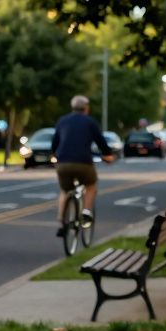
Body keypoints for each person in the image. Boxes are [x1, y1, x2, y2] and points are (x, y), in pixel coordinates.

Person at [51, 95, 115, 236]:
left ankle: (62, 221)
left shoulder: (62, 121)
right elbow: (101, 142)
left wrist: (55, 154)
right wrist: (108, 155)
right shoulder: (90, 122)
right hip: (83, 162)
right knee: (91, 185)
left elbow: (55, 142)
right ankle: (86, 212)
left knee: (65, 190)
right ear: (86, 108)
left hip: (63, 163)